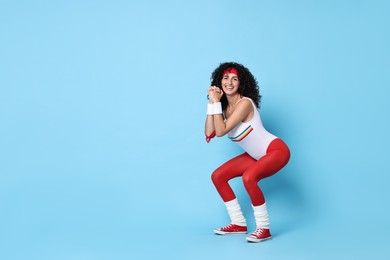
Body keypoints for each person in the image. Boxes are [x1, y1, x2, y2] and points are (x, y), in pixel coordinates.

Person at [205, 62, 290, 243]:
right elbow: (209, 132)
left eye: (235, 79)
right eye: (225, 78)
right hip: (256, 156)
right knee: (218, 176)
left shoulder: (245, 103)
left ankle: (264, 228)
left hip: (276, 150)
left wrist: (215, 104)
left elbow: (220, 131)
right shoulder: (222, 108)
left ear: (241, 83)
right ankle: (238, 223)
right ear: (219, 82)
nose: (229, 82)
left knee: (249, 177)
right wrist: (212, 103)